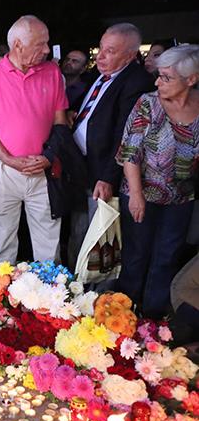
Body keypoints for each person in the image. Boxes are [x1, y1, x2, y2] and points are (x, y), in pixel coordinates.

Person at [0, 15, 69, 263]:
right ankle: (0, 299)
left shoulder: (53, 73)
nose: (47, 50)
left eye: (47, 43)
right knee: (1, 244)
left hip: (43, 170)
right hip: (2, 170)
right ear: (18, 45)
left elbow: (61, 123)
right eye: (40, 44)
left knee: (49, 245)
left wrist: (48, 158)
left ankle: (50, 298)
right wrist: (9, 159)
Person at [116, 44, 199, 319]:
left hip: (181, 198)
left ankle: (152, 319)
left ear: (191, 79)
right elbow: (130, 152)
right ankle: (123, 315)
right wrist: (137, 195)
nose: (157, 82)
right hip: (142, 192)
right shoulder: (147, 103)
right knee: (136, 255)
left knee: (166, 258)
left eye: (166, 77)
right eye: (159, 75)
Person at [67, 23, 155, 270]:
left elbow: (124, 136)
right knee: (79, 233)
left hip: (103, 173)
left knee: (99, 241)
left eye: (111, 51)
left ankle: (98, 298)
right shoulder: (100, 74)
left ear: (129, 55)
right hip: (81, 167)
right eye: (101, 49)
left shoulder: (136, 82)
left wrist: (108, 177)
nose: (101, 57)